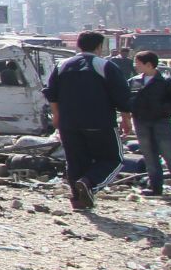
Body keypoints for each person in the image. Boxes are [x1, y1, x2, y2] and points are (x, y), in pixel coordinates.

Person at [43, 30, 131, 211]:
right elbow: (122, 96)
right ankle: (89, 183)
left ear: (78, 45)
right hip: (100, 122)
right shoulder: (105, 66)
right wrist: (126, 119)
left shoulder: (62, 65)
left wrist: (57, 117)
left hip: (69, 123)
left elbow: (51, 94)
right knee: (113, 159)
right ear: (99, 47)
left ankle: (77, 200)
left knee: (75, 161)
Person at [129, 50, 171, 199]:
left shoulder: (166, 82)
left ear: (149, 65)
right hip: (141, 122)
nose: (135, 66)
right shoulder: (134, 81)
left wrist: (163, 109)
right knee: (149, 156)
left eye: (138, 63)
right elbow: (127, 98)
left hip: (161, 122)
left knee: (169, 154)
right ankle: (155, 188)